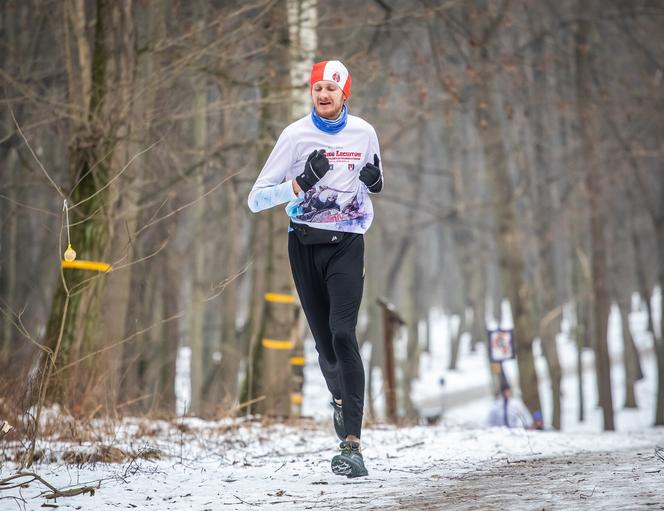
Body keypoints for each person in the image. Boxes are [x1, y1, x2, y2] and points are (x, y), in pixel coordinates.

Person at [247, 60, 383, 478]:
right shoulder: (294, 136)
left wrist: (375, 181)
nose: (323, 94)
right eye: (317, 87)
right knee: (324, 347)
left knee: (344, 334)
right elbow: (255, 200)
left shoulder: (364, 132)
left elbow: (373, 180)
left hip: (348, 242)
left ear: (346, 94)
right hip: (304, 244)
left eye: (331, 88)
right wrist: (299, 184)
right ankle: (340, 402)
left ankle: (353, 446)